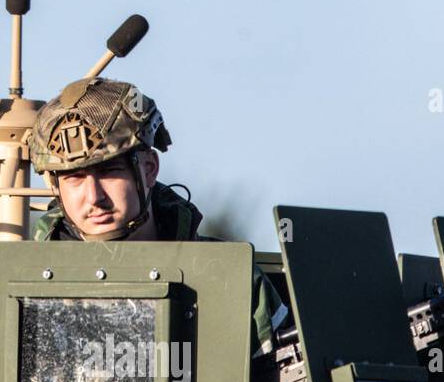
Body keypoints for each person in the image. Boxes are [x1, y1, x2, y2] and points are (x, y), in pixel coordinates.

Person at [26, 77, 288, 356]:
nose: (94, 197)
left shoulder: (227, 278)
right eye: (75, 178)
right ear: (55, 187)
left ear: (149, 169)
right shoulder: (26, 285)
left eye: (110, 171)